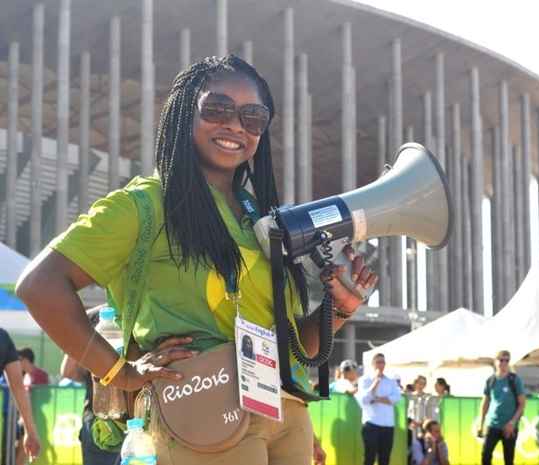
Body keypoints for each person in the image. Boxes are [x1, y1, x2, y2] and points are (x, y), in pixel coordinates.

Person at [16, 54, 378, 465]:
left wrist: (339, 312)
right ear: (184, 111)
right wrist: (120, 371)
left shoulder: (261, 219)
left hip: (284, 413)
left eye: (253, 116)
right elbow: (40, 285)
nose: (236, 125)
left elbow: (288, 345)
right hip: (201, 409)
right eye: (218, 109)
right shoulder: (144, 205)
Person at [60, 306, 120, 465]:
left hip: (101, 420)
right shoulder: (138, 308)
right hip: (133, 418)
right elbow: (69, 372)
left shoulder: (92, 317)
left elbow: (69, 372)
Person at [478, 350, 526, 465]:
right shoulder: (491, 380)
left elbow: (522, 404)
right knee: (485, 455)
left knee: (508, 459)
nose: (504, 363)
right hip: (493, 424)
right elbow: (485, 403)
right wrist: (481, 423)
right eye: (501, 360)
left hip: (509, 425)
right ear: (495, 362)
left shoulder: (514, 379)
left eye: (507, 360)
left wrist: (512, 423)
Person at [0, 328, 41, 463]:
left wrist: (30, 430)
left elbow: (18, 386)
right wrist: (30, 431)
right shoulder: (3, 337)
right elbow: (18, 386)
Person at [356, 353, 402, 465]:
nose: (381, 365)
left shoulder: (391, 380)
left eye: (383, 362)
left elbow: (396, 398)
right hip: (371, 424)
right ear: (372, 364)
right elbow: (364, 399)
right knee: (369, 457)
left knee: (385, 459)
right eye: (378, 362)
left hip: (388, 425)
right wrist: (375, 383)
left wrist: (377, 399)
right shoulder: (365, 380)